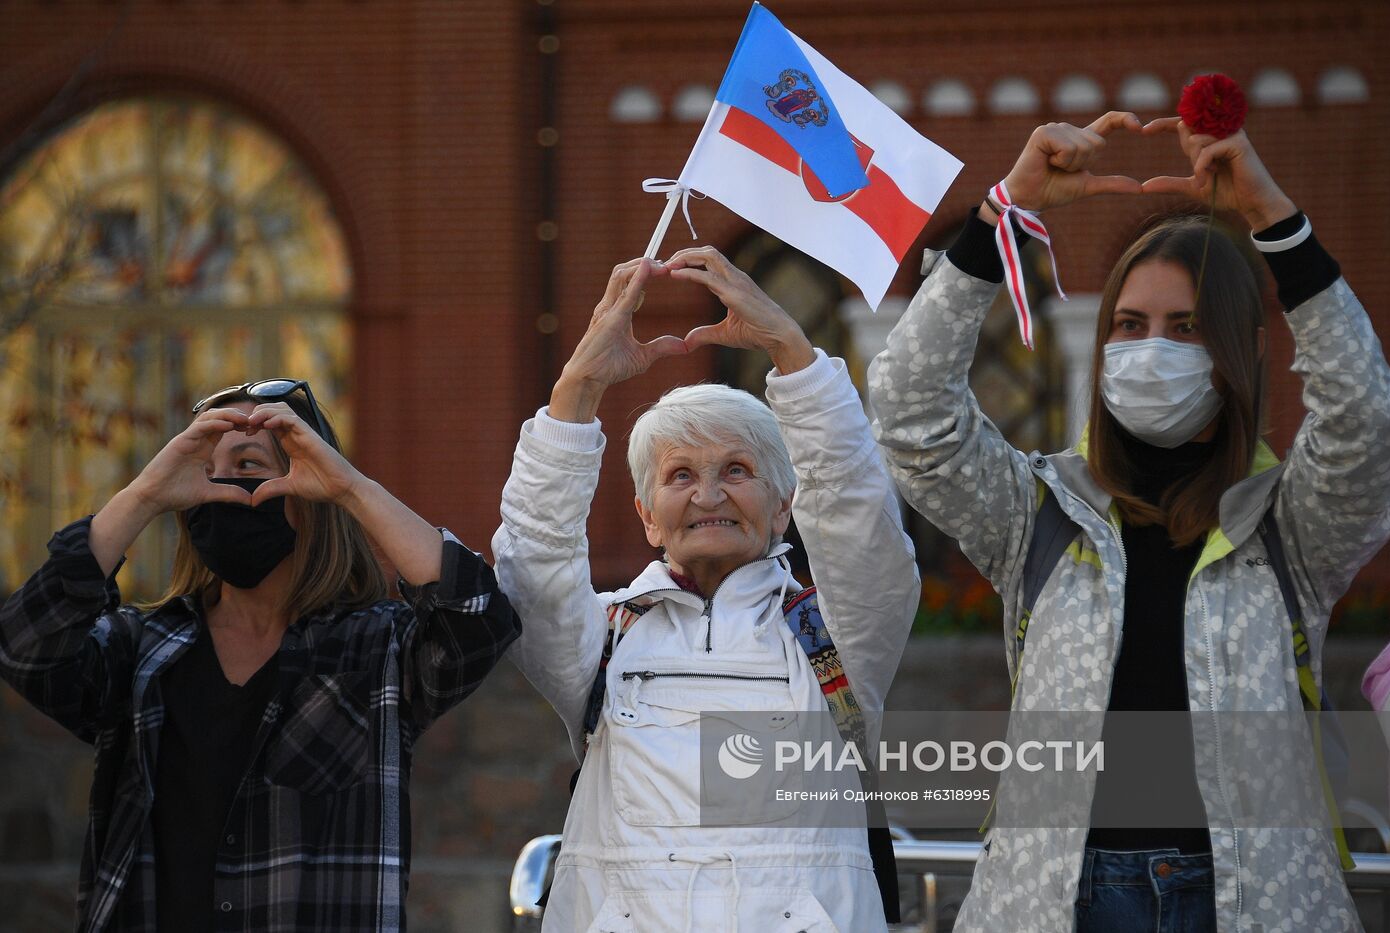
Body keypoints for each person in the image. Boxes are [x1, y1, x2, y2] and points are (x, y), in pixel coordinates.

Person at [869, 111, 1390, 933]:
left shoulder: (1291, 524)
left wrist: (1274, 220)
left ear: (1240, 350)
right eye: (1130, 324)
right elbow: (909, 410)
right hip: (1057, 902)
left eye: (1187, 328)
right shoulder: (1039, 513)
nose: (1153, 349)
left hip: (1252, 904)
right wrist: (1003, 212)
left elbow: (1368, 422)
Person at [494, 248, 920, 932]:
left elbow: (861, 524)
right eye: (681, 475)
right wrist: (577, 390)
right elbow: (533, 563)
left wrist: (792, 353)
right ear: (648, 516)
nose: (710, 494)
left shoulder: (838, 642)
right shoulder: (601, 640)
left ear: (783, 507)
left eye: (738, 470)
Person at [0, 379, 520, 932]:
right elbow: (26, 646)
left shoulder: (377, 649)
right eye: (207, 472)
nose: (223, 487)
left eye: (247, 466)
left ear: (308, 490)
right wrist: (144, 495)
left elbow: (477, 619)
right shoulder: (140, 650)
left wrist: (349, 489)